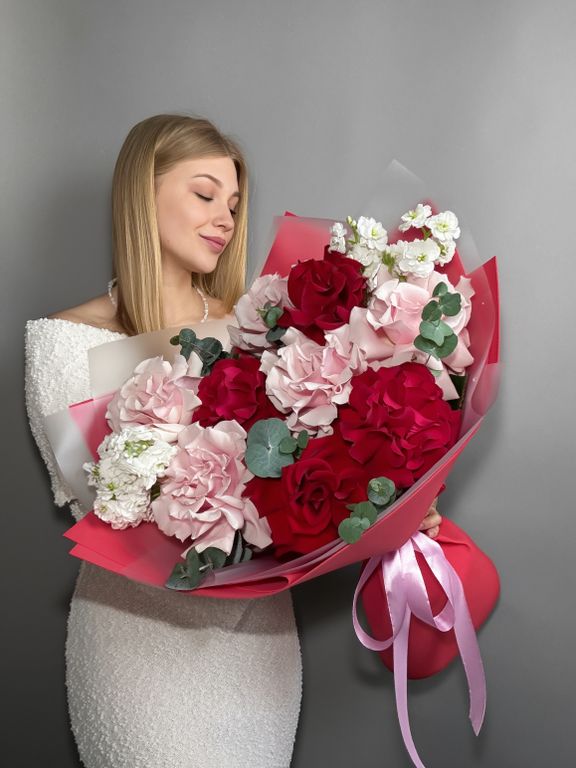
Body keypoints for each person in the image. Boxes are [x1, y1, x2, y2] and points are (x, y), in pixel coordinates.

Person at [24, 113, 442, 768]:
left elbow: (314, 466)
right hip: (137, 642)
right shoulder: (64, 340)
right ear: (142, 194)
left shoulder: (263, 327)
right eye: (204, 193)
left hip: (256, 647)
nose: (224, 217)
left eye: (233, 203)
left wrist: (384, 503)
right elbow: (100, 505)